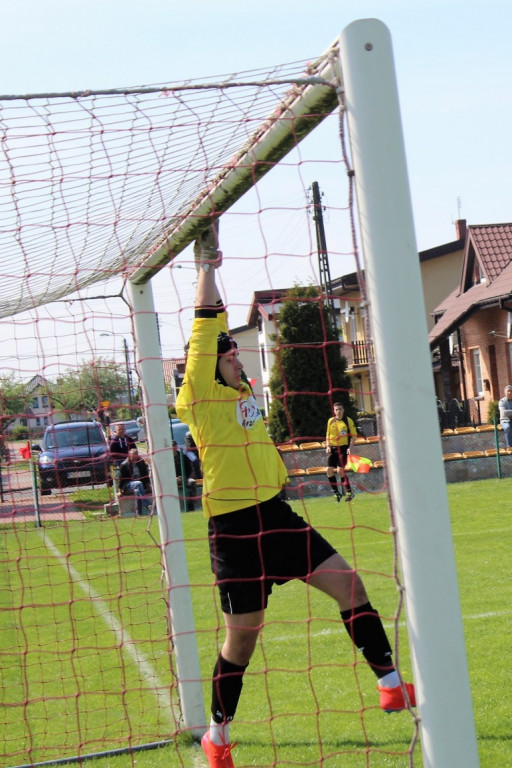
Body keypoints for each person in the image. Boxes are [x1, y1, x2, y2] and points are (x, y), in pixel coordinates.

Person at [175, 224, 414, 768]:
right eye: (230, 356)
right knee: (242, 641)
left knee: (349, 585)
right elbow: (205, 325)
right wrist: (206, 267)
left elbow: (221, 339)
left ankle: (391, 685)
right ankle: (217, 736)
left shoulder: (240, 391)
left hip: (276, 517)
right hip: (234, 532)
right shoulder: (199, 392)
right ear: (209, 364)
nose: (239, 361)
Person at [325, 402, 357, 502]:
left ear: (343, 410)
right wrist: (328, 446)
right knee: (329, 470)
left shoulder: (348, 421)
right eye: (336, 409)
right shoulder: (330, 421)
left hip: (343, 448)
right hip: (333, 449)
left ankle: (349, 492)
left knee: (340, 471)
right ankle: (336, 493)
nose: (338, 411)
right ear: (334, 411)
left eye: (340, 409)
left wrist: (350, 448)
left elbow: (354, 436)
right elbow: (327, 435)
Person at [116, 447, 152, 516]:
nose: (135, 457)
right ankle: (147, 504)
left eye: (136, 455)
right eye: (133, 455)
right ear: (130, 455)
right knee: (138, 483)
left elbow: (145, 474)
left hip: (139, 485)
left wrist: (148, 485)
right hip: (128, 484)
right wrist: (120, 490)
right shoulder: (124, 465)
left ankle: (139, 512)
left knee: (137, 491)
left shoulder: (141, 462)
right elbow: (122, 479)